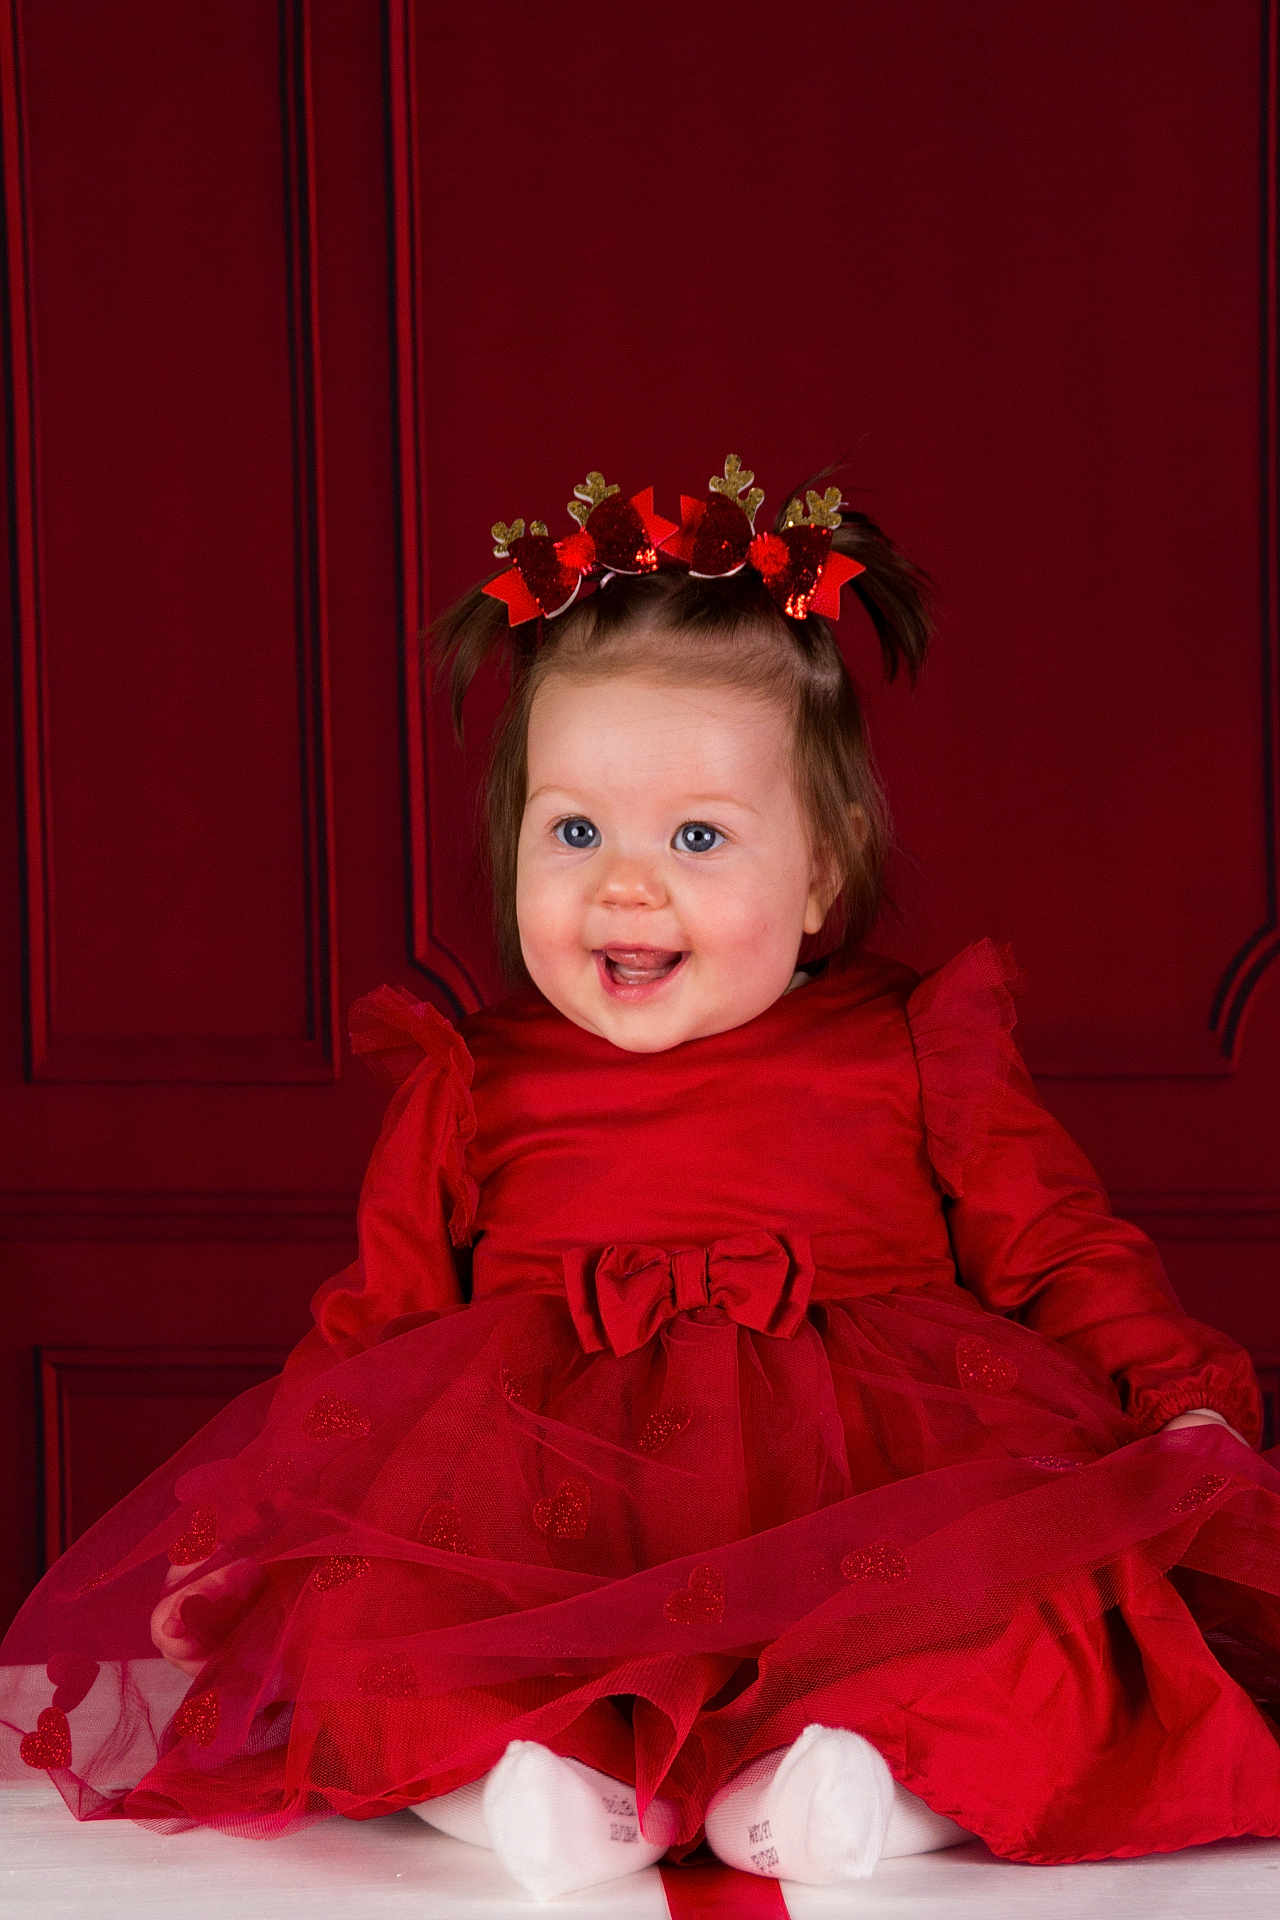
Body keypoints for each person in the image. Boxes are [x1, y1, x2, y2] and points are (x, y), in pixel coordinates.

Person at [2, 456, 1278, 1906]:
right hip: (549, 1527)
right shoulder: (476, 1080)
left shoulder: (918, 1047)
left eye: (696, 838)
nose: (624, 884)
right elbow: (377, 1328)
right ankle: (534, 1790)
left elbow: (1060, 1250)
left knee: (1027, 1626)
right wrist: (260, 1533)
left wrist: (1175, 1399)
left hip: (872, 1497)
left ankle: (853, 1785)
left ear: (822, 873)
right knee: (380, 1642)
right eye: (574, 832)